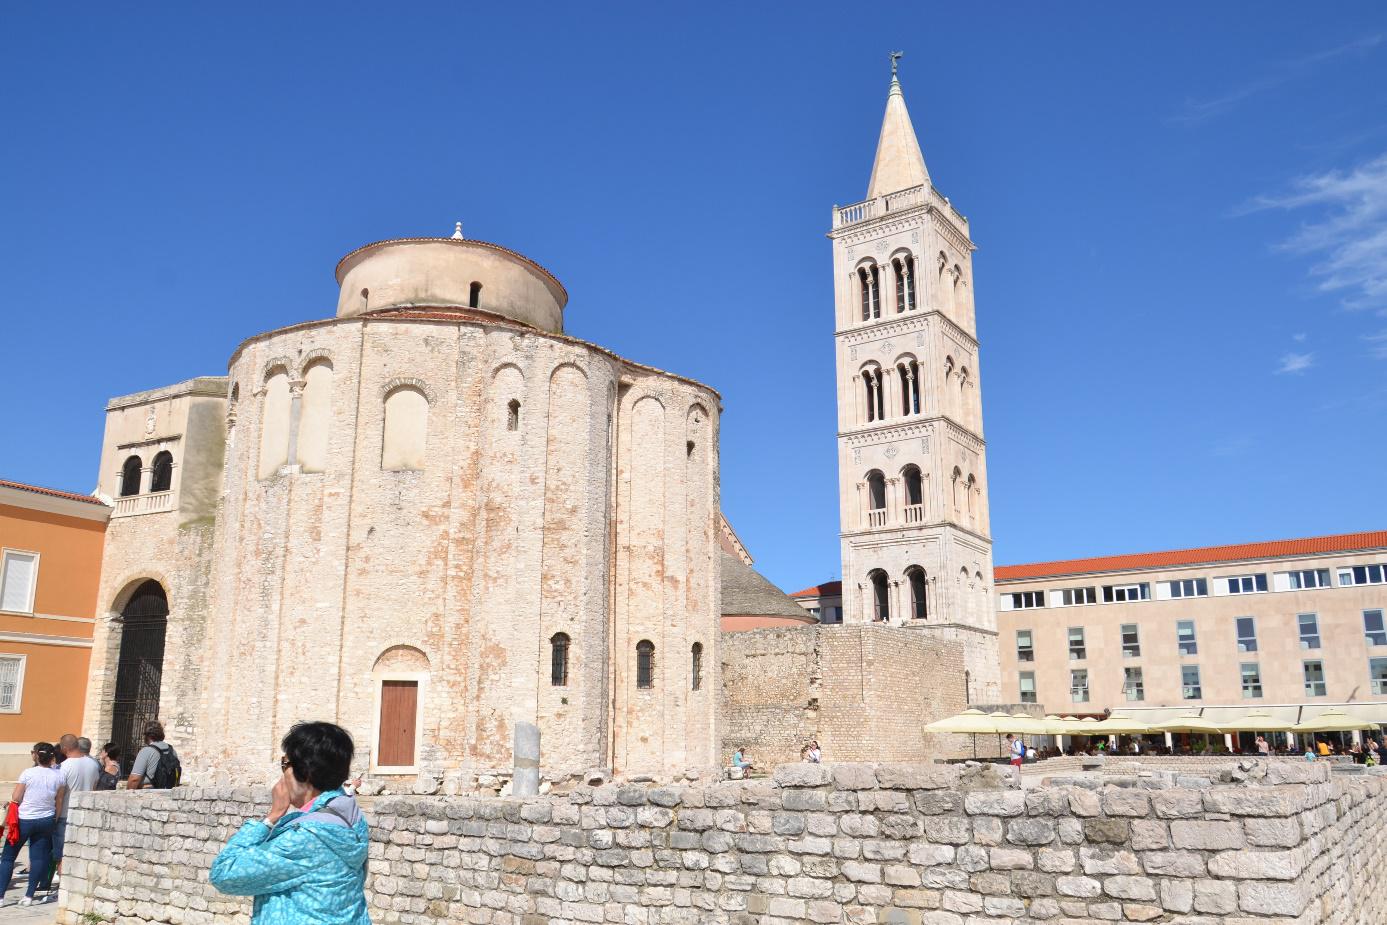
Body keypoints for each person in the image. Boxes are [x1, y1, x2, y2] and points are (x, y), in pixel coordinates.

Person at [210, 722, 370, 924]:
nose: (283, 773)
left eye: (285, 765)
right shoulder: (350, 817)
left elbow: (224, 874)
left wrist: (272, 816)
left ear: (307, 773)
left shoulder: (306, 838)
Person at [0, 743, 66, 906]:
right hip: (46, 819)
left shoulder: (28, 773)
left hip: (24, 819)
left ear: (36, 755)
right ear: (52, 757)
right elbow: (59, 800)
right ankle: (29, 896)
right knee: (38, 857)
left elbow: (16, 796)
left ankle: (0, 897)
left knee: (8, 857)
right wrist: (55, 818)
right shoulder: (59, 776)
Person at [46, 736, 100, 892]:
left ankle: (64, 888)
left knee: (62, 855)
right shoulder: (93, 764)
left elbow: (60, 796)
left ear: (64, 748)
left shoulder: (64, 767)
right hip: (86, 813)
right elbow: (95, 788)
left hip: (65, 815)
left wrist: (55, 817)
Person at [128, 720, 180, 790]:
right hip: (167, 793)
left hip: (148, 793)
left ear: (147, 735)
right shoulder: (172, 750)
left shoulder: (146, 751)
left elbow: (134, 779)